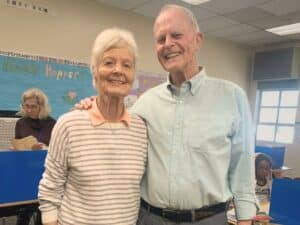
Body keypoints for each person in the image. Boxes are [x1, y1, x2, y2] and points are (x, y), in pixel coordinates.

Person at [76, 4, 257, 225]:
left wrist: (246, 220)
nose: (168, 44)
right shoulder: (145, 104)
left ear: (197, 40)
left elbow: (243, 174)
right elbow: (114, 130)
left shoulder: (232, 98)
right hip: (151, 218)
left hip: (209, 219)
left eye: (176, 35)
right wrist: (91, 106)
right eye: (161, 39)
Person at [38, 28, 147, 225]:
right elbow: (49, 190)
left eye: (127, 65)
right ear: (94, 71)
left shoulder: (141, 129)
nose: (118, 70)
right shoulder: (68, 125)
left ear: (133, 76)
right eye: (109, 62)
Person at [14, 88, 56, 225]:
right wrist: (16, 148)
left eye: (33, 106)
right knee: (24, 212)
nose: (29, 110)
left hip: (46, 173)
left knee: (43, 213)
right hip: (26, 173)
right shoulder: (21, 123)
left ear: (41, 107)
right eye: (26, 106)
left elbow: (58, 150)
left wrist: (43, 147)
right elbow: (18, 142)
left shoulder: (52, 124)